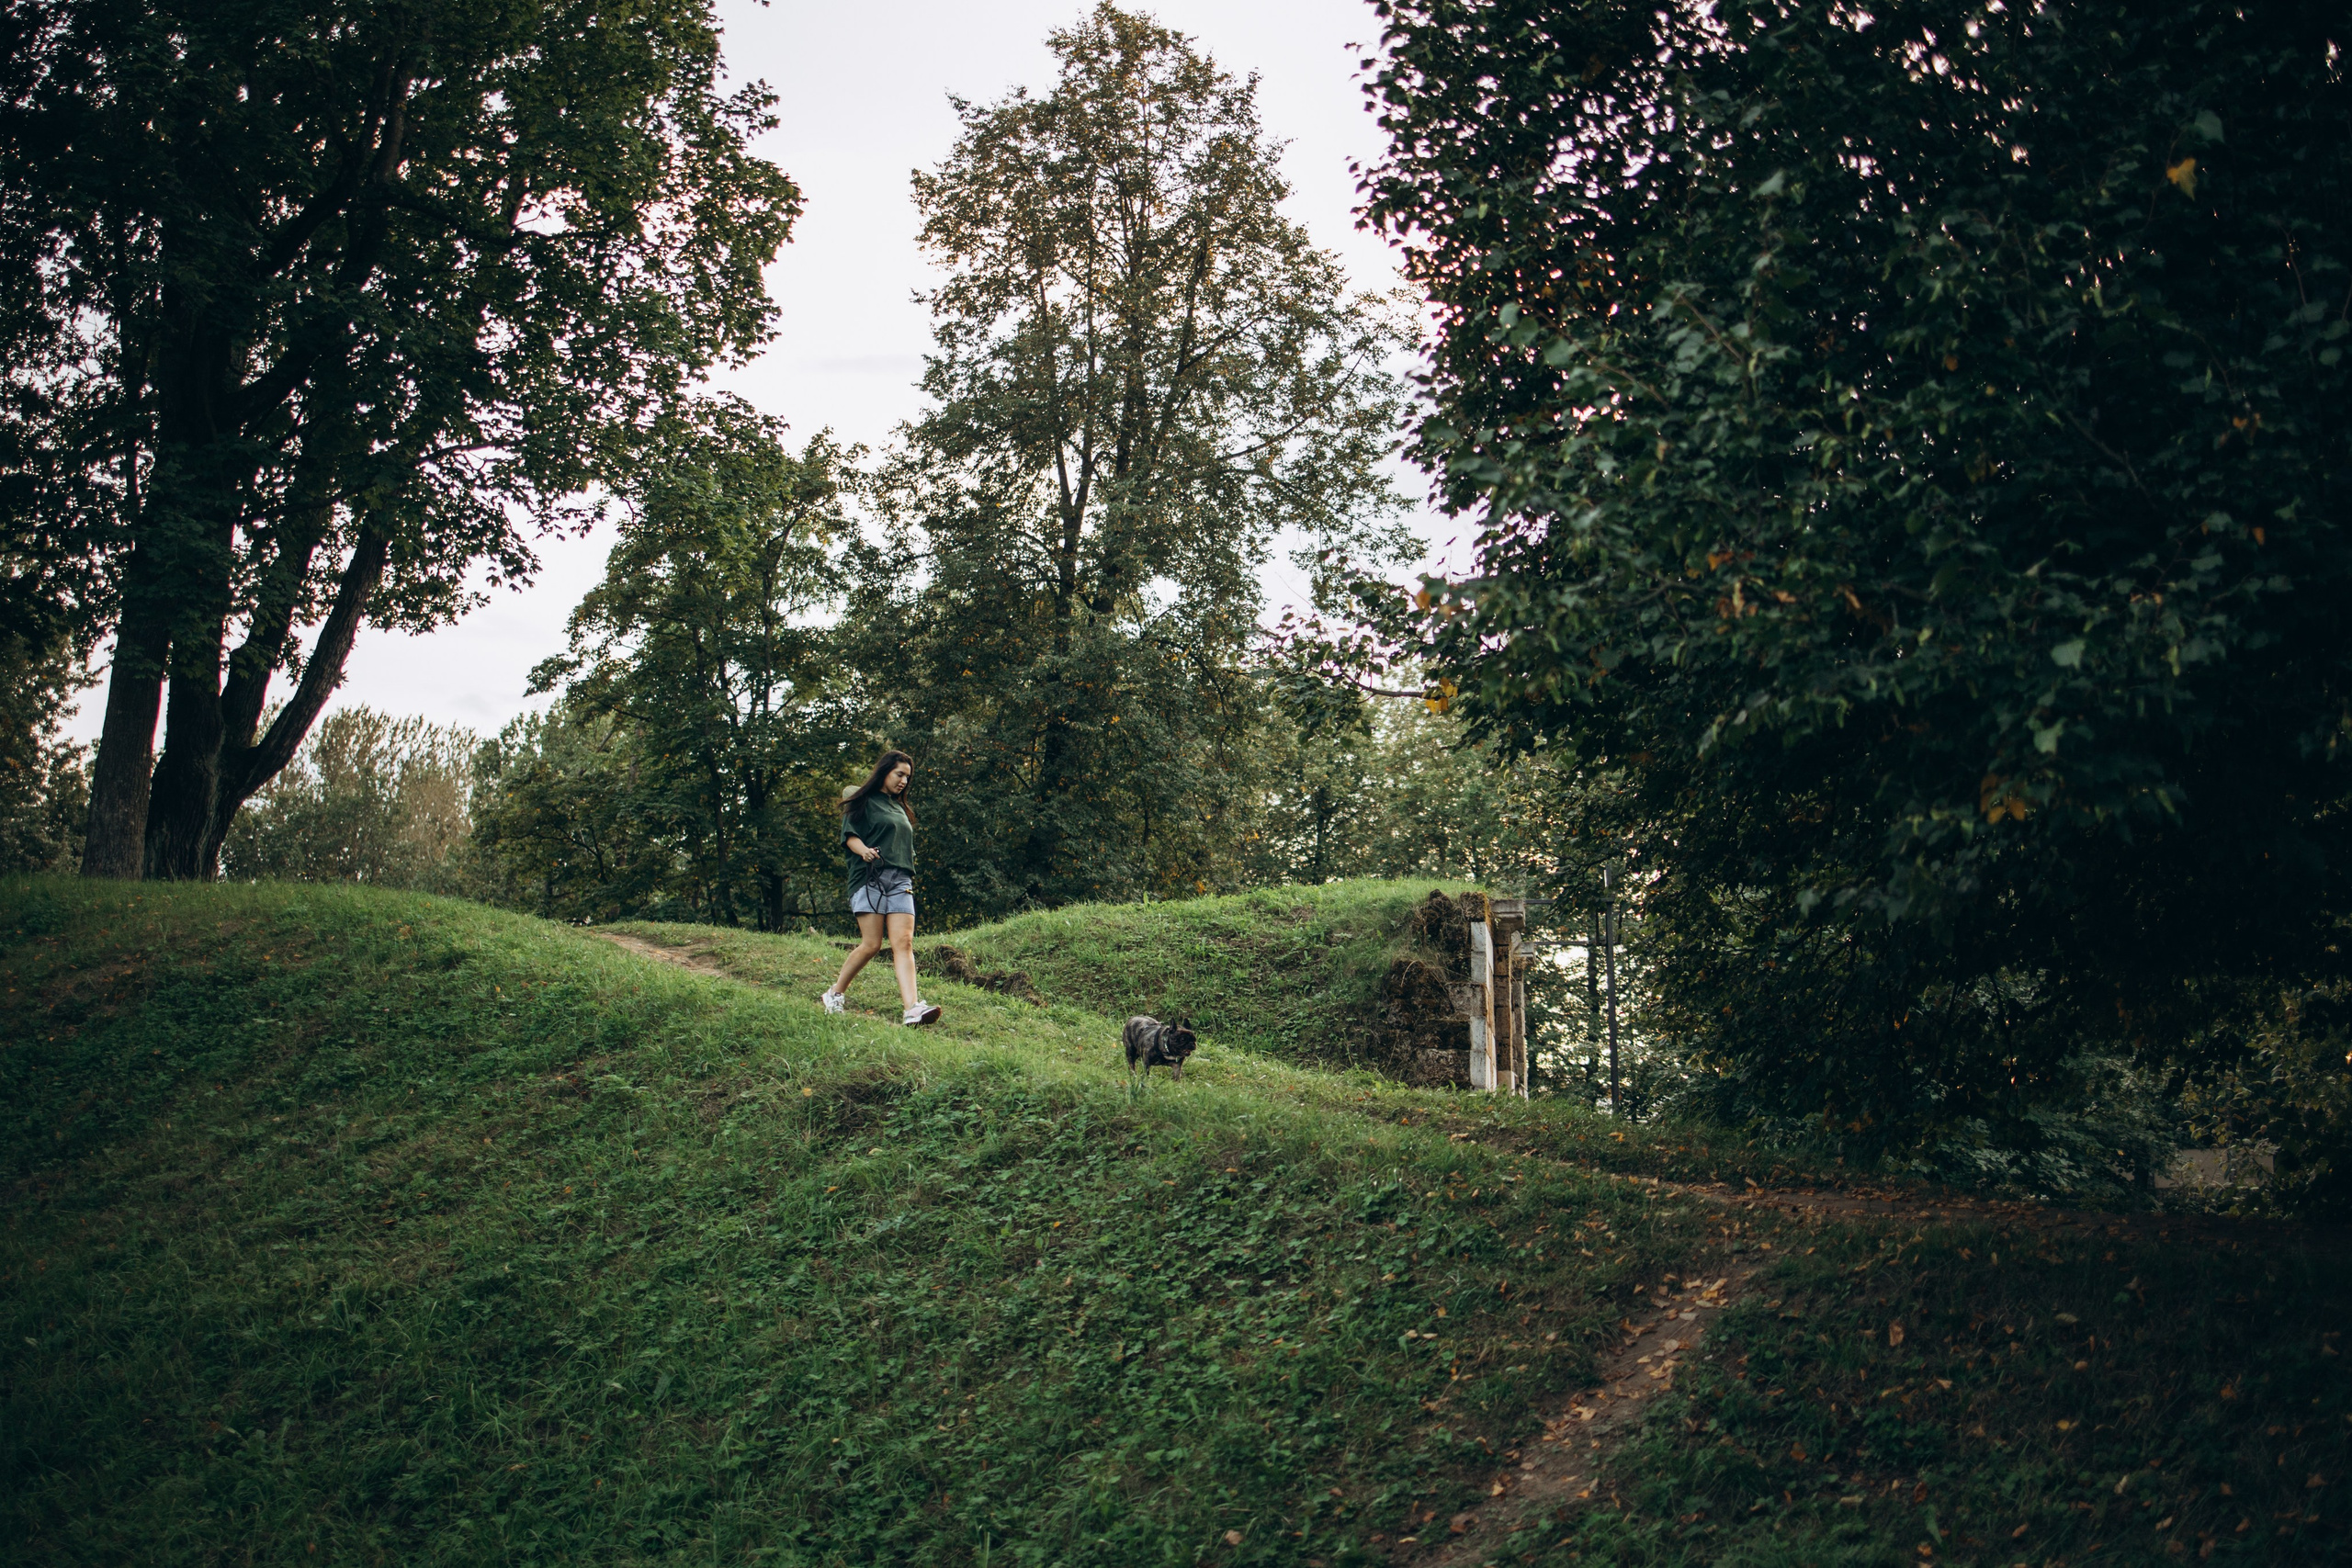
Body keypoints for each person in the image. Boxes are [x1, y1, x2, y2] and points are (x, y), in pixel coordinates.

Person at [821, 750, 942, 1026]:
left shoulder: (899, 807)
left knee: (904, 942)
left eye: (908, 778)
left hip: (901, 879)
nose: (904, 782)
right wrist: (864, 851)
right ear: (885, 771)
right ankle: (834, 994)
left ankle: (912, 1008)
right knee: (872, 944)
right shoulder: (863, 800)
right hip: (869, 876)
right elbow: (850, 836)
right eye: (899, 774)